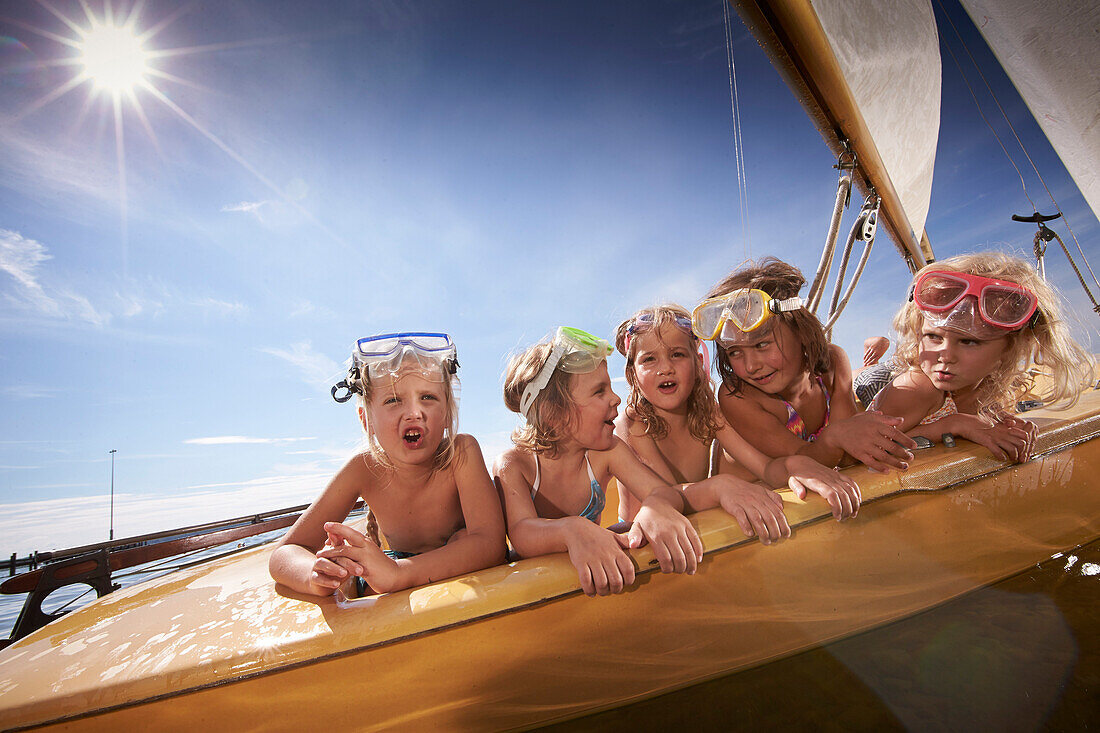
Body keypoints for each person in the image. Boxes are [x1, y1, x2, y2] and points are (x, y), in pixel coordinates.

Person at [495, 326, 791, 597]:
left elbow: (664, 492)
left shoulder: (607, 451)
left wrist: (663, 504)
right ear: (553, 414)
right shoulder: (514, 465)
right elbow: (521, 533)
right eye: (599, 391)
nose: (616, 399)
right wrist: (572, 531)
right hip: (538, 590)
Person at [269, 333, 505, 597]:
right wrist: (315, 574)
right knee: (368, 584)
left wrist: (399, 574)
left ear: (449, 411)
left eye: (428, 397)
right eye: (393, 400)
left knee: (462, 541)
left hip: (448, 565)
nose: (415, 412)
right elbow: (283, 554)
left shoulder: (461, 453)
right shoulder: (363, 468)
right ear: (366, 419)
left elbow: (490, 545)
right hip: (393, 565)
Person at [612, 305, 860, 522]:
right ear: (632, 374)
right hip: (639, 532)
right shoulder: (633, 423)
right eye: (649, 359)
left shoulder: (708, 412)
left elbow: (764, 468)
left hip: (693, 512)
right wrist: (719, 487)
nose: (666, 368)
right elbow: (665, 499)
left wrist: (795, 465)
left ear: (698, 363)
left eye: (677, 354)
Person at [698, 258, 918, 472]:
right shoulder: (738, 396)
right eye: (734, 352)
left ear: (800, 330)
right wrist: (833, 438)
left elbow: (848, 458)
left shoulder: (832, 363)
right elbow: (805, 463)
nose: (750, 366)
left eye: (762, 344)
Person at [869, 252, 1094, 461]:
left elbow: (979, 416)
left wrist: (1003, 421)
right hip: (878, 383)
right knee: (866, 377)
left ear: (1008, 350)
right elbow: (871, 448)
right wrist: (956, 424)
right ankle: (868, 360)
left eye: (968, 341)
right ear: (918, 332)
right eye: (933, 336)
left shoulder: (986, 384)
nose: (945, 355)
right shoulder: (916, 388)